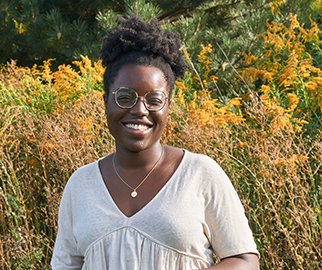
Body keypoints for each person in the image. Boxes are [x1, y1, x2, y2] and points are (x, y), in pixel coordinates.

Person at [51, 15, 260, 270]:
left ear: (168, 105)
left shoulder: (200, 174)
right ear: (105, 101)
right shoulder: (80, 185)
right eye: (125, 97)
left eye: (154, 99)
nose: (140, 109)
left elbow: (244, 261)